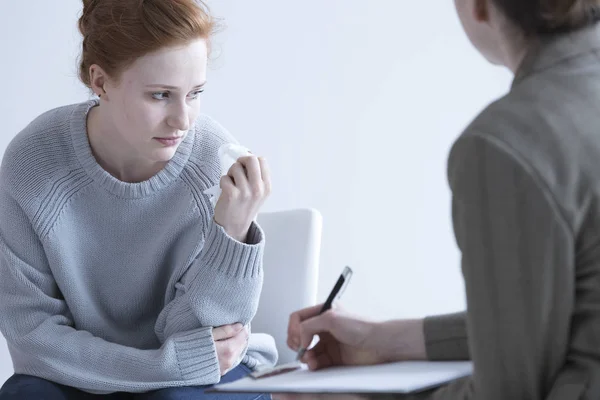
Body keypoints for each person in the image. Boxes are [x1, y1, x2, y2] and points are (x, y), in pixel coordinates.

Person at [285, 0, 600, 399]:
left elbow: (507, 391)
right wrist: (382, 338)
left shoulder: (503, 144)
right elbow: (545, 322)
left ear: (479, 7)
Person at [0, 0, 276, 398]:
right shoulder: (34, 163)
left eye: (195, 93)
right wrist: (161, 367)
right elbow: (33, 338)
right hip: (80, 373)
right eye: (161, 95)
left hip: (206, 378)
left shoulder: (212, 162)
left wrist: (232, 233)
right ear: (100, 82)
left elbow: (210, 346)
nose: (182, 120)